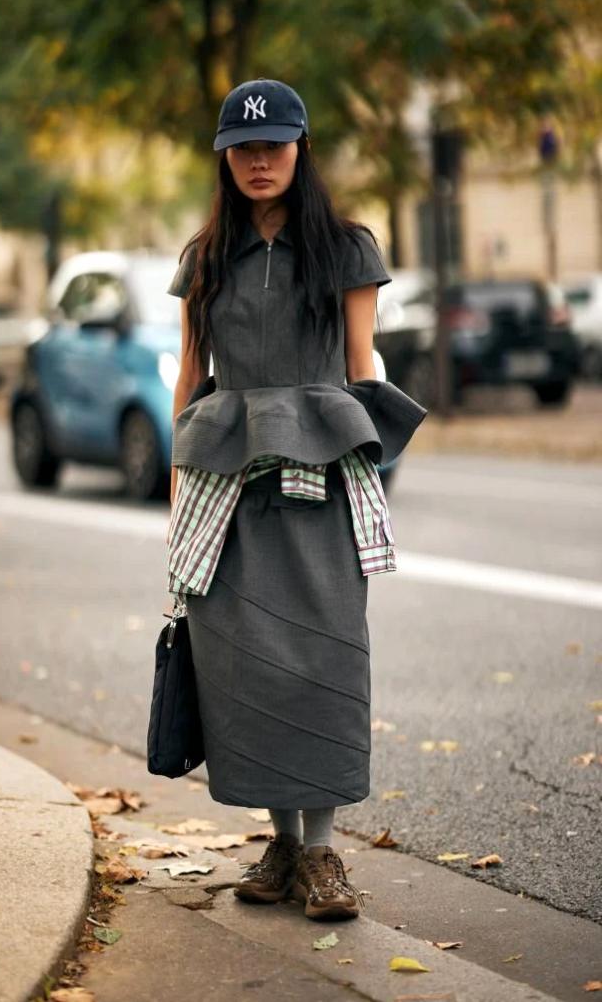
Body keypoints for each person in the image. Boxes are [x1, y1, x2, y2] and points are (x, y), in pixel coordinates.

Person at [165, 78, 426, 921]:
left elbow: (363, 365)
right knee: (242, 668)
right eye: (243, 148)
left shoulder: (346, 249)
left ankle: (321, 851)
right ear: (225, 159)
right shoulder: (204, 258)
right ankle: (281, 842)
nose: (258, 160)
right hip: (226, 486)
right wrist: (177, 496)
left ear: (300, 149)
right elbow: (189, 375)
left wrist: (371, 474)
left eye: (273, 145)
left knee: (324, 658)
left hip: (320, 477)